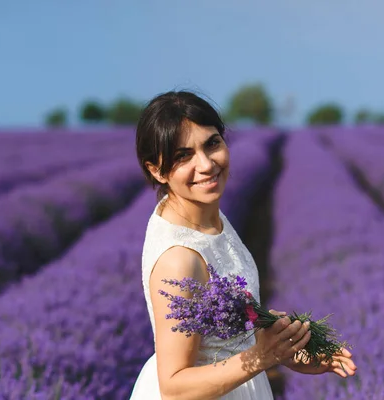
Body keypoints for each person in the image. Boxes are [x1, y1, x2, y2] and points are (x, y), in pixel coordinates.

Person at [130, 90, 356, 400]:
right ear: (156, 169)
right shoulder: (180, 257)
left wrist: (285, 346)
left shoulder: (208, 217)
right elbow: (174, 387)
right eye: (183, 155)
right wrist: (262, 357)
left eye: (212, 144)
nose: (207, 164)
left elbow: (225, 319)